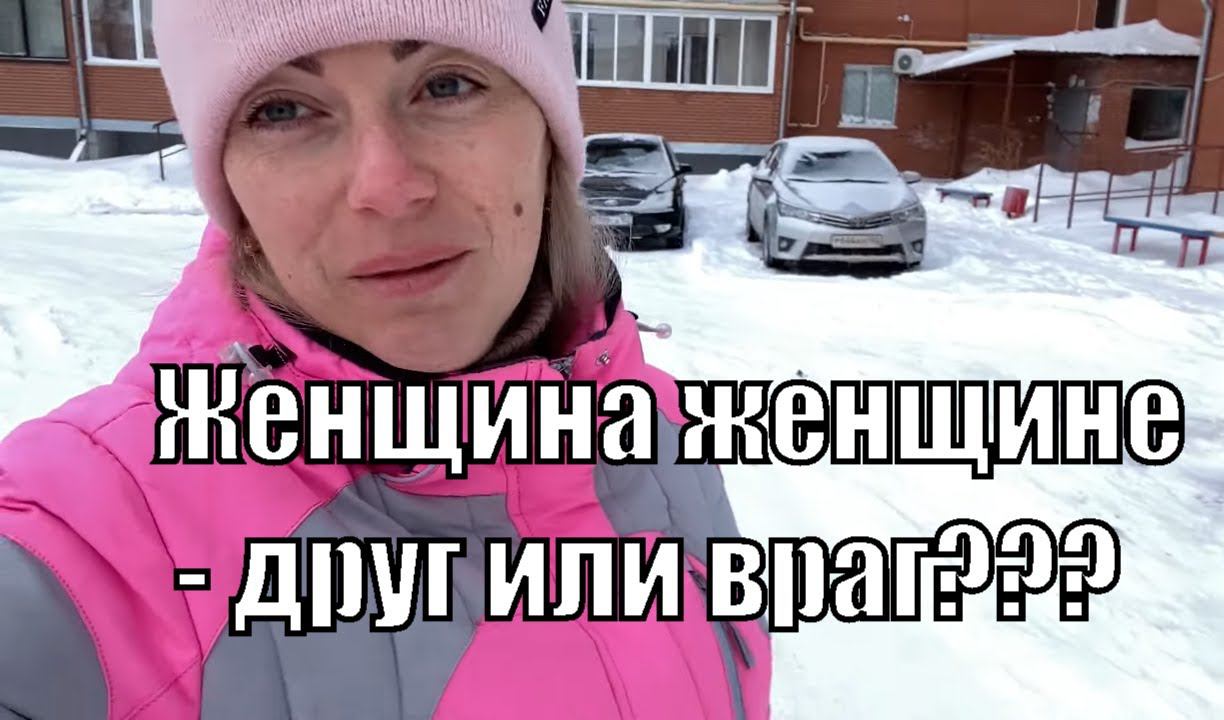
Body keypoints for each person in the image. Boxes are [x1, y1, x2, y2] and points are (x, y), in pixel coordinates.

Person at [0, 1, 771, 718]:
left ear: (546, 131)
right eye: (282, 110)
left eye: (447, 85)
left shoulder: (660, 430)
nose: (388, 187)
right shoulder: (102, 531)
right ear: (229, 179)